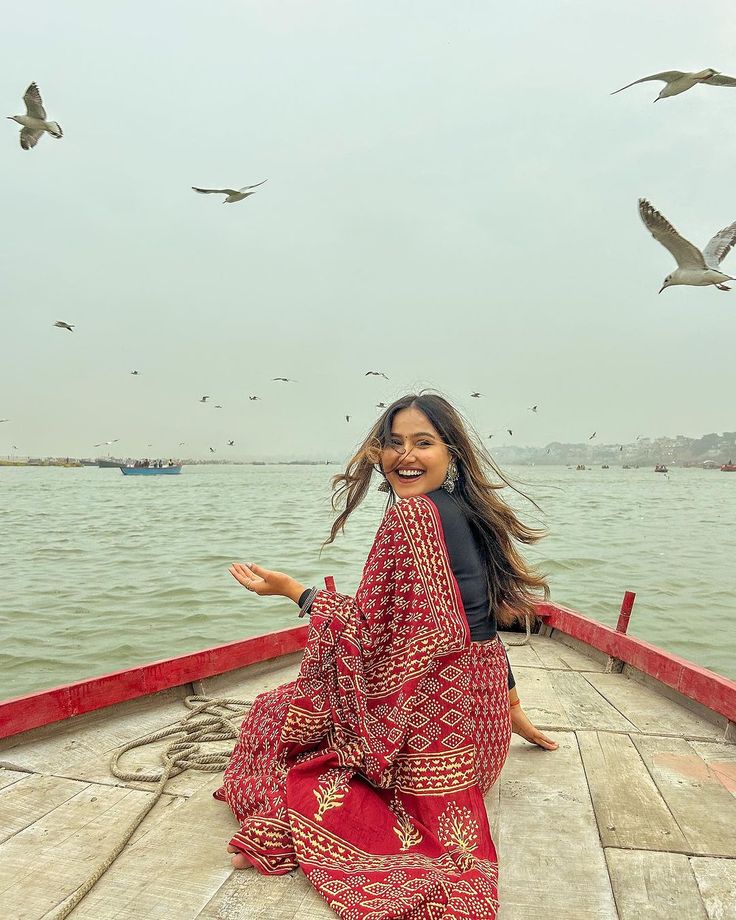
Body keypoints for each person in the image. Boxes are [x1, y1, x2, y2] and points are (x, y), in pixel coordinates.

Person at [215, 393, 556, 919]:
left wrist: (292, 590)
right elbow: (480, 627)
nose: (405, 455)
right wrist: (511, 712)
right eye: (393, 443)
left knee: (273, 718)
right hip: (480, 749)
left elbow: (370, 636)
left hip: (439, 761)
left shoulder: (413, 515)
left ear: (452, 453)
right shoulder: (469, 511)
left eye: (423, 442)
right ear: (377, 452)